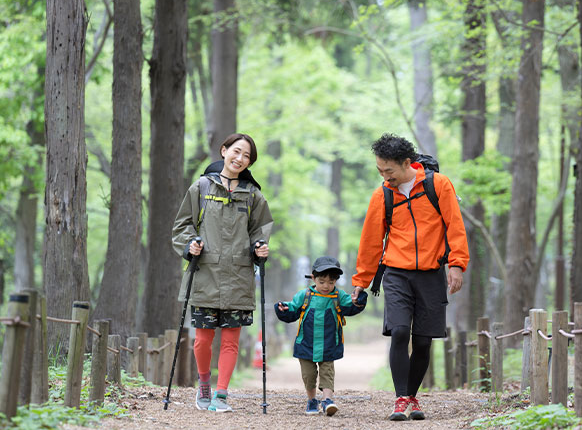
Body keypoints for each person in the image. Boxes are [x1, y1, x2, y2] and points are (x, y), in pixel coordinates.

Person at [351, 133, 469, 421]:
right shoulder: (383, 194)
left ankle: (412, 397)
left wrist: (457, 264)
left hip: (431, 273)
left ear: (407, 163)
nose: (384, 176)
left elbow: (455, 226)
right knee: (400, 331)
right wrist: (361, 280)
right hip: (396, 273)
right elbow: (370, 240)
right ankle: (400, 398)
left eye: (388, 170)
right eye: (380, 170)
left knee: (424, 340)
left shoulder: (438, 186)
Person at [171, 133, 273, 412]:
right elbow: (182, 226)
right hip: (205, 274)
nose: (240, 159)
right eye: (236, 152)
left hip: (239, 277)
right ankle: (204, 383)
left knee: (231, 341)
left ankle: (222, 395)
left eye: (247, 156)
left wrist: (260, 247)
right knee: (203, 340)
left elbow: (259, 232)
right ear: (224, 150)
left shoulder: (252, 195)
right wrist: (189, 244)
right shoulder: (201, 187)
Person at [275, 256, 367, 416]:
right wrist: (283, 308)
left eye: (331, 283)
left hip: (329, 342)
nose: (326, 286)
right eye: (322, 281)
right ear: (313, 278)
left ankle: (327, 400)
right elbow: (292, 309)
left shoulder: (338, 296)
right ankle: (312, 400)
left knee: (327, 372)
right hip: (306, 343)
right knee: (308, 376)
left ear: (336, 282)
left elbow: (352, 306)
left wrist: (359, 300)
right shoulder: (304, 296)